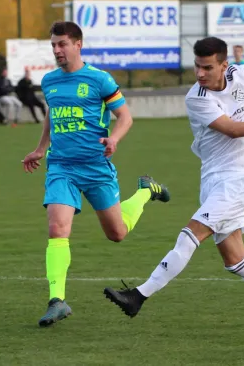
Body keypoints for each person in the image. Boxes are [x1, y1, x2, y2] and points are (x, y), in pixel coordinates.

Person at [103, 0, 244, 329]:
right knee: (235, 261)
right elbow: (232, 129)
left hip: (236, 180)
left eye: (207, 67)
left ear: (225, 65)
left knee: (189, 235)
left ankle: (138, 296)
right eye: (197, 66)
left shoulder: (243, 75)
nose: (199, 73)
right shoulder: (197, 98)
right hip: (211, 179)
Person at [21, 21, 171, 327]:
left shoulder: (99, 80)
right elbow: (52, 113)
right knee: (57, 228)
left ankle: (145, 190)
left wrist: (114, 139)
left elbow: (125, 116)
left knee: (117, 233)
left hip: (95, 166)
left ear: (78, 44)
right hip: (61, 166)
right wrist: (40, 148)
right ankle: (57, 300)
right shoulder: (49, 81)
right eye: (53, 45)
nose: (56, 50)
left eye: (62, 44)